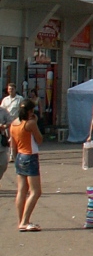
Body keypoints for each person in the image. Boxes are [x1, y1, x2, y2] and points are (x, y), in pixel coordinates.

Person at [11, 99, 43, 231]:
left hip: (19, 156)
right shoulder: (30, 124)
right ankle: (25, 221)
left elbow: (13, 145)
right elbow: (39, 140)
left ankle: (21, 221)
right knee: (36, 191)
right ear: (30, 111)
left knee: (22, 191)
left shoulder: (14, 124)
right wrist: (35, 122)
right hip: (30, 156)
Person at [2, 82, 22, 170]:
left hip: (16, 122)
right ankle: (11, 155)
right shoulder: (5, 99)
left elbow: (22, 110)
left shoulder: (19, 99)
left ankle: (15, 155)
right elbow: (2, 110)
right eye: (9, 89)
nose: (10, 90)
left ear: (15, 89)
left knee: (15, 139)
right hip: (7, 122)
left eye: (12, 89)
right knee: (9, 139)